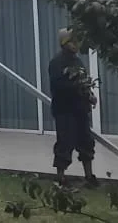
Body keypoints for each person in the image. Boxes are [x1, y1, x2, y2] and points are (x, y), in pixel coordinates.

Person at [47, 27, 98, 187]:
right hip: (64, 110)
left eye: (77, 41)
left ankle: (89, 177)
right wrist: (75, 85)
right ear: (64, 43)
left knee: (86, 142)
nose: (76, 45)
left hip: (80, 109)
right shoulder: (57, 62)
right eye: (72, 42)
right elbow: (58, 85)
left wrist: (90, 95)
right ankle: (61, 178)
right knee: (65, 143)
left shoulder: (78, 61)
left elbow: (85, 81)